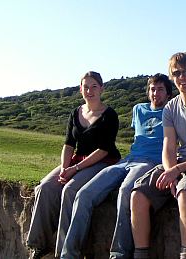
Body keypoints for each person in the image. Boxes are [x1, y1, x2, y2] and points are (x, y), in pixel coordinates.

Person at [60, 74, 173, 258]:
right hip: (127, 160)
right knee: (84, 194)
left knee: (125, 192)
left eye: (161, 89)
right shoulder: (138, 109)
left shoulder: (172, 111)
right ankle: (69, 254)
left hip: (150, 162)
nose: (155, 93)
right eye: (152, 89)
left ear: (168, 94)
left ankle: (119, 253)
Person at [26, 71, 121, 259]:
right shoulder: (75, 112)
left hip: (102, 161)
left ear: (102, 88)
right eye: (85, 86)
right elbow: (69, 144)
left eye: (94, 86)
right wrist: (63, 167)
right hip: (77, 159)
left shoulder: (109, 115)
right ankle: (38, 245)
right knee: (45, 187)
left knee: (70, 190)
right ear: (80, 89)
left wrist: (74, 169)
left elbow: (103, 149)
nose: (89, 90)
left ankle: (65, 252)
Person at [130, 52, 186, 259]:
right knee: (138, 194)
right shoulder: (171, 107)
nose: (182, 78)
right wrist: (170, 172)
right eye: (176, 73)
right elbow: (169, 146)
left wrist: (176, 172)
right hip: (178, 162)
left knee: (184, 192)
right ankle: (140, 253)